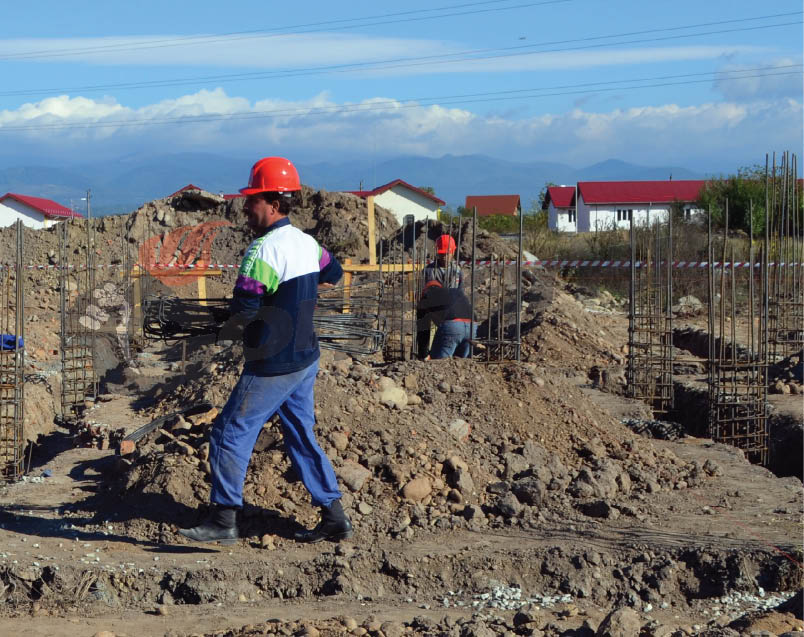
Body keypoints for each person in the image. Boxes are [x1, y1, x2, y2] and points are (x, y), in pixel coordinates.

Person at [179, 157, 353, 545]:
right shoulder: (308, 244)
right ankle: (334, 515)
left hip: (273, 362)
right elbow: (334, 274)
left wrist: (222, 328)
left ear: (273, 203)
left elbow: (243, 312)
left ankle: (223, 520)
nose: (246, 208)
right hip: (306, 356)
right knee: (300, 435)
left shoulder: (262, 252)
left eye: (252, 200)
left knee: (228, 431)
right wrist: (294, 305)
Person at [416, 280, 477, 359]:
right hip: (472, 326)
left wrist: (422, 355)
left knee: (440, 363)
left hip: (453, 326)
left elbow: (423, 331)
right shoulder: (454, 293)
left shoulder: (426, 297)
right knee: (462, 363)